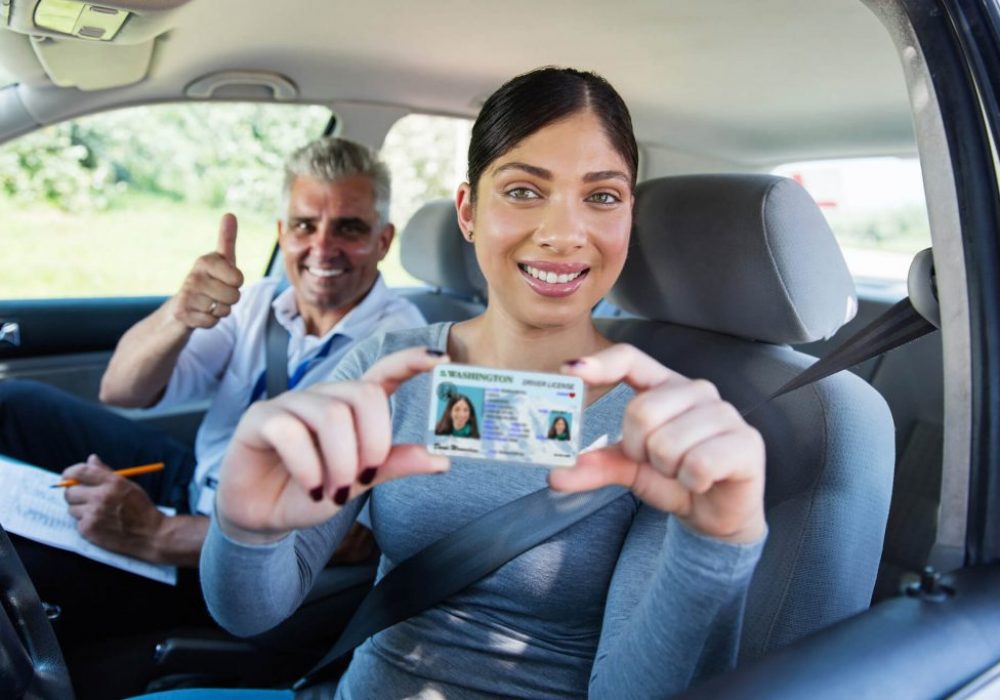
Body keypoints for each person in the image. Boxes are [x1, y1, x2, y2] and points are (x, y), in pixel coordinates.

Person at [158, 66, 766, 699]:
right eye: (525, 191)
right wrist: (249, 530)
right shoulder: (390, 365)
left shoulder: (661, 426)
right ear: (469, 211)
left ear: (629, 217)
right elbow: (248, 613)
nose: (562, 233)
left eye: (602, 196)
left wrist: (713, 548)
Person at [0, 137, 424, 657]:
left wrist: (157, 534)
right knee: (13, 405)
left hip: (249, 553)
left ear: (384, 240)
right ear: (280, 233)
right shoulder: (261, 301)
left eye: (349, 228)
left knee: (23, 574)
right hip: (194, 480)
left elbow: (354, 539)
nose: (322, 247)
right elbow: (122, 388)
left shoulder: (403, 351)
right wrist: (179, 313)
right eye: (304, 225)